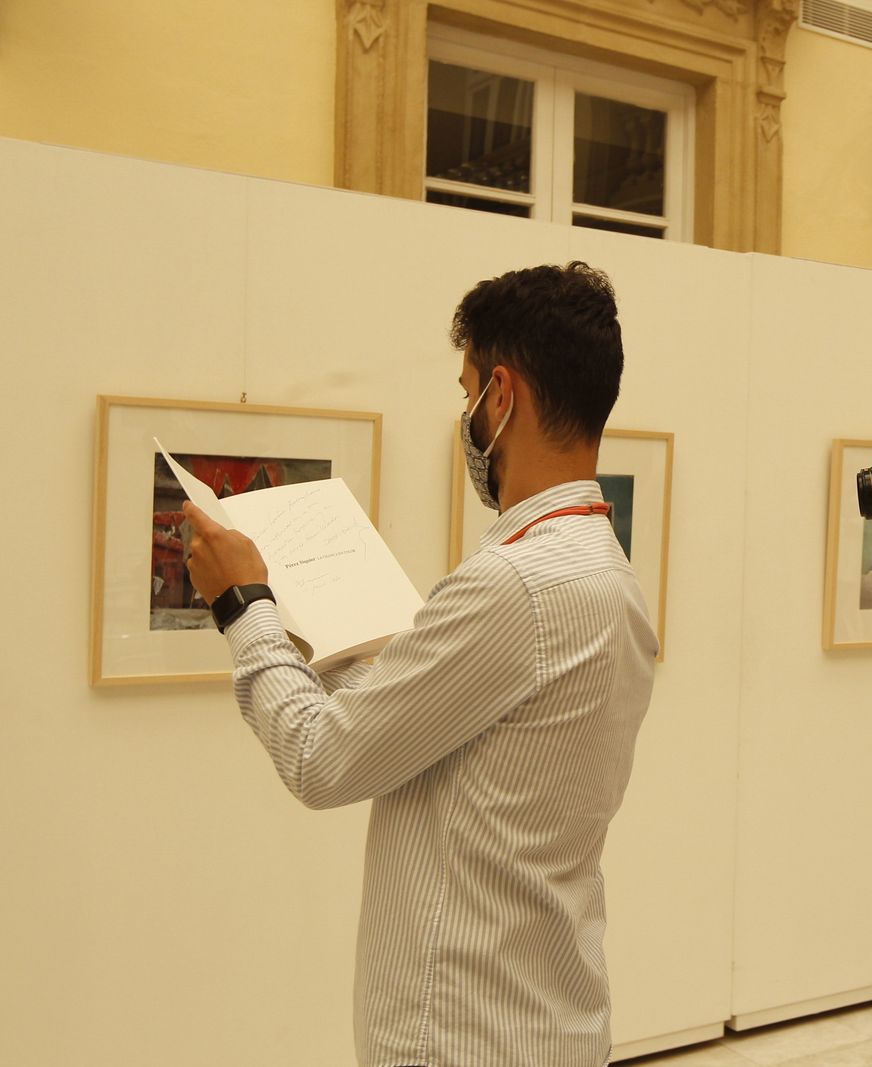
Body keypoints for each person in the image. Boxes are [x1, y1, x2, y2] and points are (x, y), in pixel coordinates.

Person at [182, 262, 657, 1067]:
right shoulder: (605, 570)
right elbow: (416, 738)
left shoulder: (513, 584)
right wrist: (336, 634)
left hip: (461, 1033)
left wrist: (243, 604)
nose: (464, 413)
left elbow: (320, 758)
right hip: (547, 1020)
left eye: (466, 389)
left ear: (500, 397)